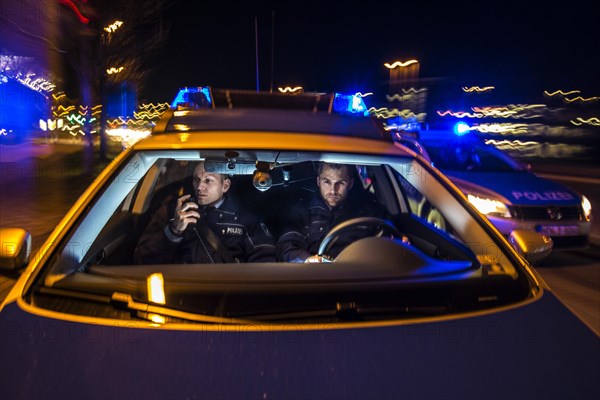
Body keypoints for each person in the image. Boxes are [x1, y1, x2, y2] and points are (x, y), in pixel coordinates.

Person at [134, 161, 276, 264]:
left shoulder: (245, 218)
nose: (200, 186)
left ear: (225, 186)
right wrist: (173, 232)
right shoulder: (173, 211)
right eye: (197, 180)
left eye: (208, 180)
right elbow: (141, 259)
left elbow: (265, 262)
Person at [277, 162, 390, 263]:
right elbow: (286, 245)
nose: (333, 190)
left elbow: (388, 244)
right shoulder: (302, 210)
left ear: (350, 184)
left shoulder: (370, 211)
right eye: (327, 182)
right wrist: (307, 260)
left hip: (359, 278)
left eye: (340, 183)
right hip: (316, 277)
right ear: (318, 181)